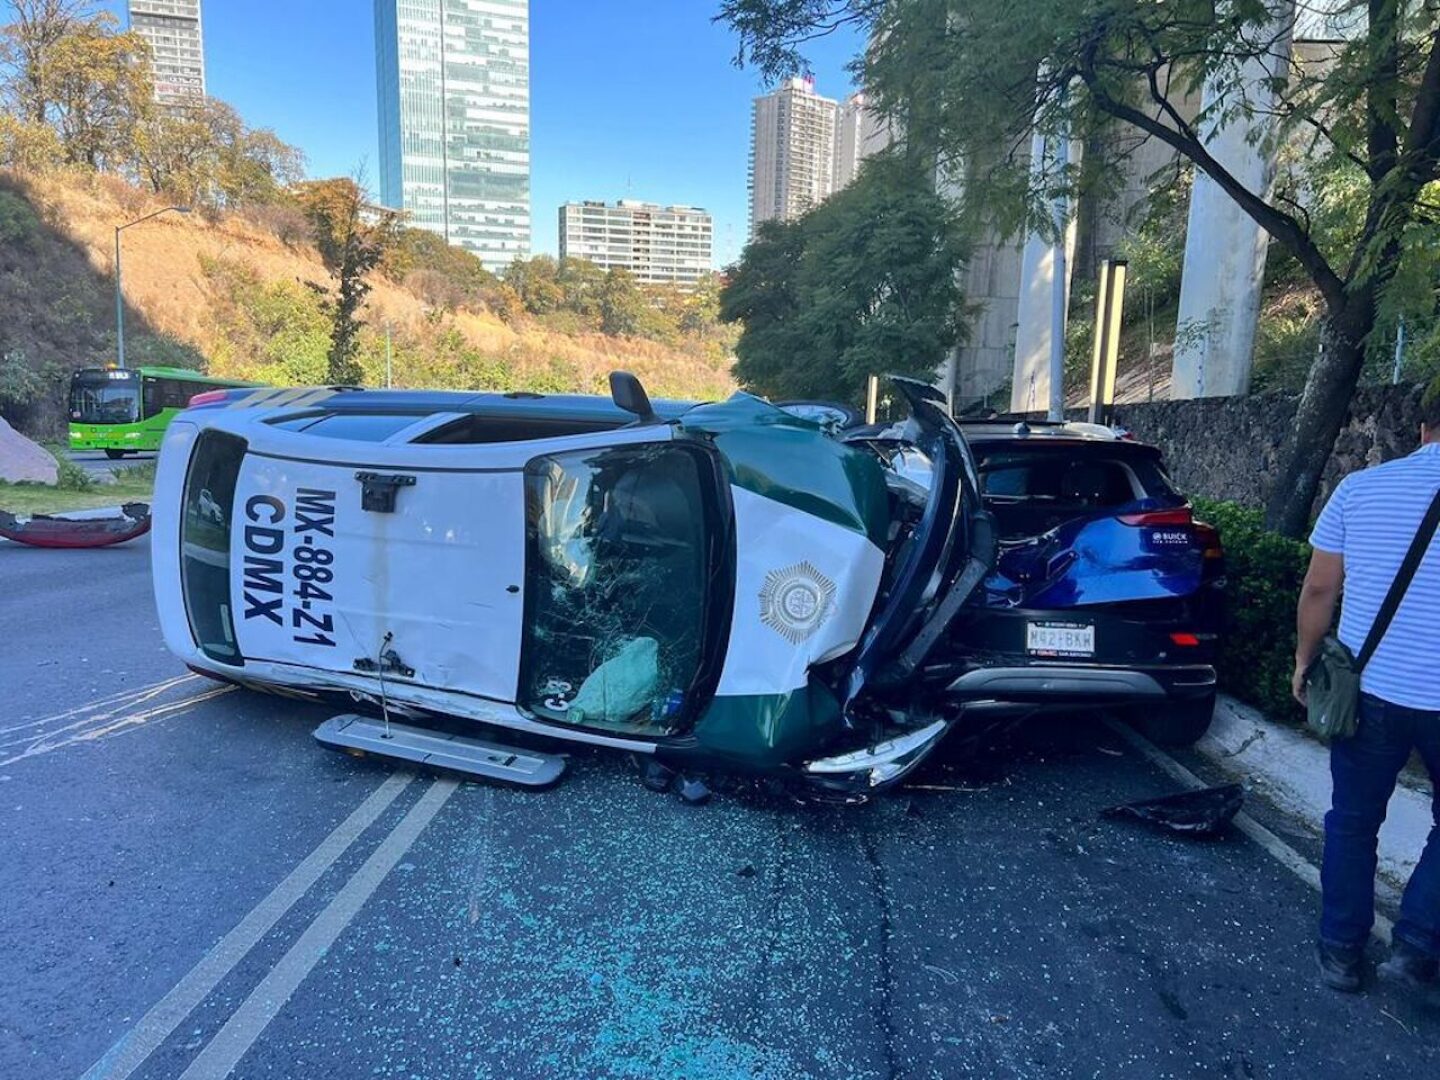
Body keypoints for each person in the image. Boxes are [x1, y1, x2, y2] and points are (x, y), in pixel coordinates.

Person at [1293, 400, 1440, 992]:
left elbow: (1320, 589)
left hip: (1372, 691)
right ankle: (1418, 943)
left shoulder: (1361, 488)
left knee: (1353, 823)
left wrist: (1305, 661)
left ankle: (1341, 953)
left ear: (1425, 426)